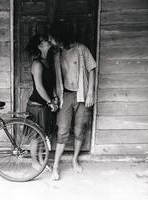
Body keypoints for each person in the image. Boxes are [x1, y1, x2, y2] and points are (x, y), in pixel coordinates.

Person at [51, 24, 97, 180]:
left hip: (82, 96)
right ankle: (56, 166)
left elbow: (92, 69)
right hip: (66, 96)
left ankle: (74, 159)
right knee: (62, 130)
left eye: (54, 38)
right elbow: (56, 77)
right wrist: (55, 95)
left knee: (79, 130)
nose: (52, 41)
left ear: (61, 37)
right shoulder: (57, 54)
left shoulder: (81, 49)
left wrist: (90, 92)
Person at [24, 33, 59, 169]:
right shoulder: (37, 64)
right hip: (36, 105)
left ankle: (41, 160)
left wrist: (54, 98)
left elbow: (51, 85)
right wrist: (50, 102)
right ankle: (34, 162)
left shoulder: (48, 62)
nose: (49, 42)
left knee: (42, 135)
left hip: (45, 105)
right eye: (46, 41)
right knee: (35, 136)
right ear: (40, 46)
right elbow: (39, 87)